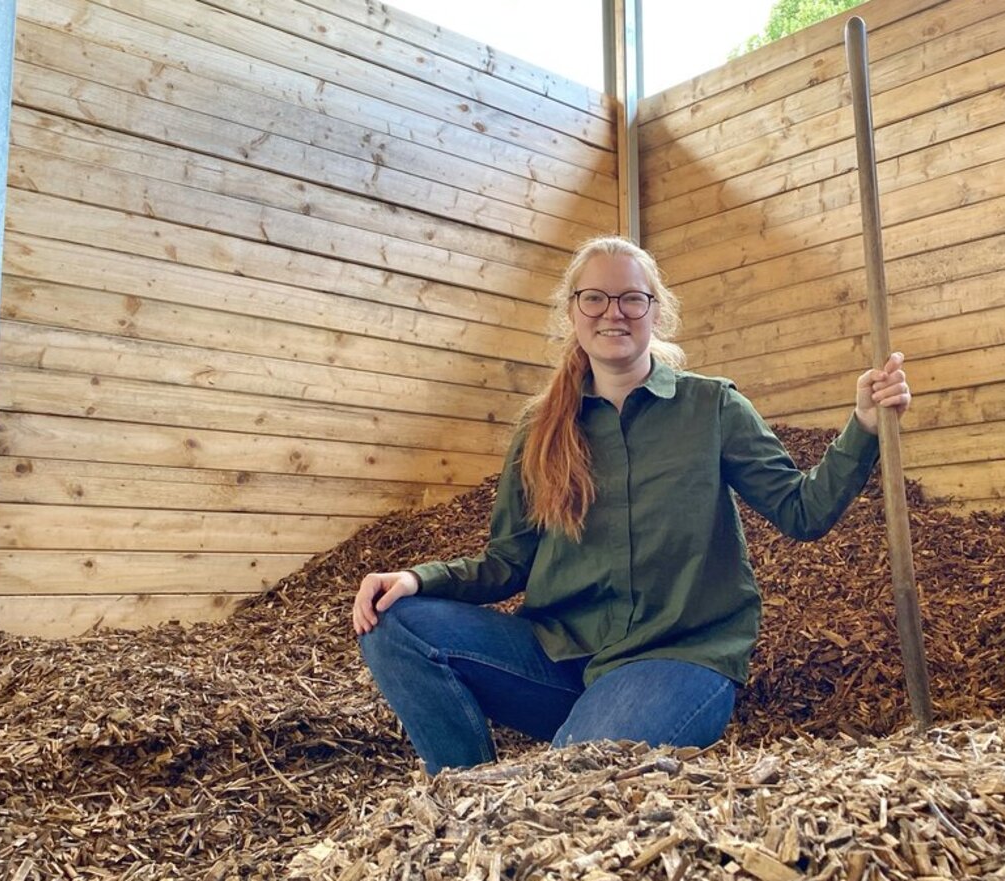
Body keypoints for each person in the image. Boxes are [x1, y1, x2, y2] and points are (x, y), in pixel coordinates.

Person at [354, 235, 910, 774]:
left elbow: (802, 510)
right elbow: (508, 562)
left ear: (656, 312)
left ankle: (551, 767)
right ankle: (462, 793)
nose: (612, 313)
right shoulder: (541, 427)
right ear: (572, 312)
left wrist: (862, 424)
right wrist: (416, 579)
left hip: (677, 657)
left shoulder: (712, 407)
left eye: (631, 299)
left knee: (575, 776)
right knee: (392, 620)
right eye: (594, 298)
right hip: (559, 656)